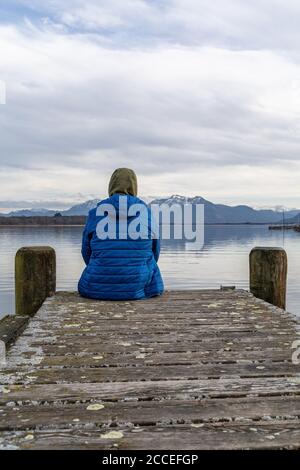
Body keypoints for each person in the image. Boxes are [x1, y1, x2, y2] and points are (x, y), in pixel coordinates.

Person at [78, 168, 164, 300]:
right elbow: (155, 251)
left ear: (111, 186)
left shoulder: (95, 213)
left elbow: (86, 252)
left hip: (95, 288)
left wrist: (104, 266)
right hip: (139, 287)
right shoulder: (147, 214)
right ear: (134, 187)